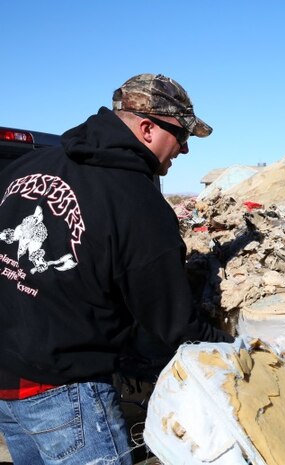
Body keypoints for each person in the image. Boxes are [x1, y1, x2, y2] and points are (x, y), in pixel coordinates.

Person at [0, 73, 234, 465]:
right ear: (147, 128)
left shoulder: (28, 165)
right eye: (182, 135)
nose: (186, 149)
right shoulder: (137, 203)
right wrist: (237, 349)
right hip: (66, 395)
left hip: (7, 384)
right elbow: (174, 325)